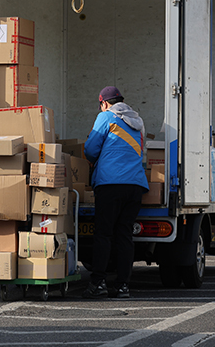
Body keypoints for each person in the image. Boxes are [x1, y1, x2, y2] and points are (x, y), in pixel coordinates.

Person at [81, 86, 149, 299]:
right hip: (135, 185)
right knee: (124, 235)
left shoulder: (105, 117)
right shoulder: (138, 122)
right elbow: (142, 152)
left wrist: (93, 164)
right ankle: (122, 286)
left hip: (110, 184)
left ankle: (98, 283)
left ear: (104, 103)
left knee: (103, 234)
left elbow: (91, 149)